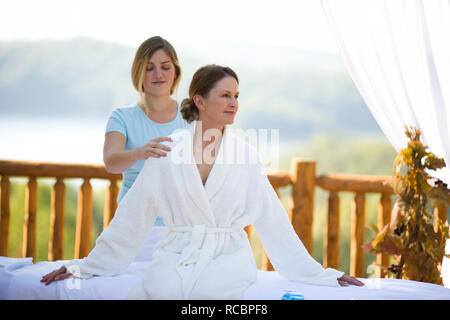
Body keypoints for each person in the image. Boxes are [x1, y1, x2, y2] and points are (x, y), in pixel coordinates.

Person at [41, 64, 364, 299]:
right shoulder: (167, 152)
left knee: (212, 291)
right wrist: (86, 266)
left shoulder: (245, 155)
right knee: (160, 289)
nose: (234, 103)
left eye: (237, 96)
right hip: (177, 250)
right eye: (225, 95)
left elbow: (274, 222)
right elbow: (130, 218)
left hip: (228, 256)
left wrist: (320, 275)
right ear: (200, 101)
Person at [103, 36, 187, 260]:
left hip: (181, 229)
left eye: (165, 67)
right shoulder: (122, 117)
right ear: (138, 73)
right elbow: (111, 161)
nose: (158, 74)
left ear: (175, 73)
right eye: (149, 68)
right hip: (133, 228)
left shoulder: (192, 117)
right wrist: (141, 152)